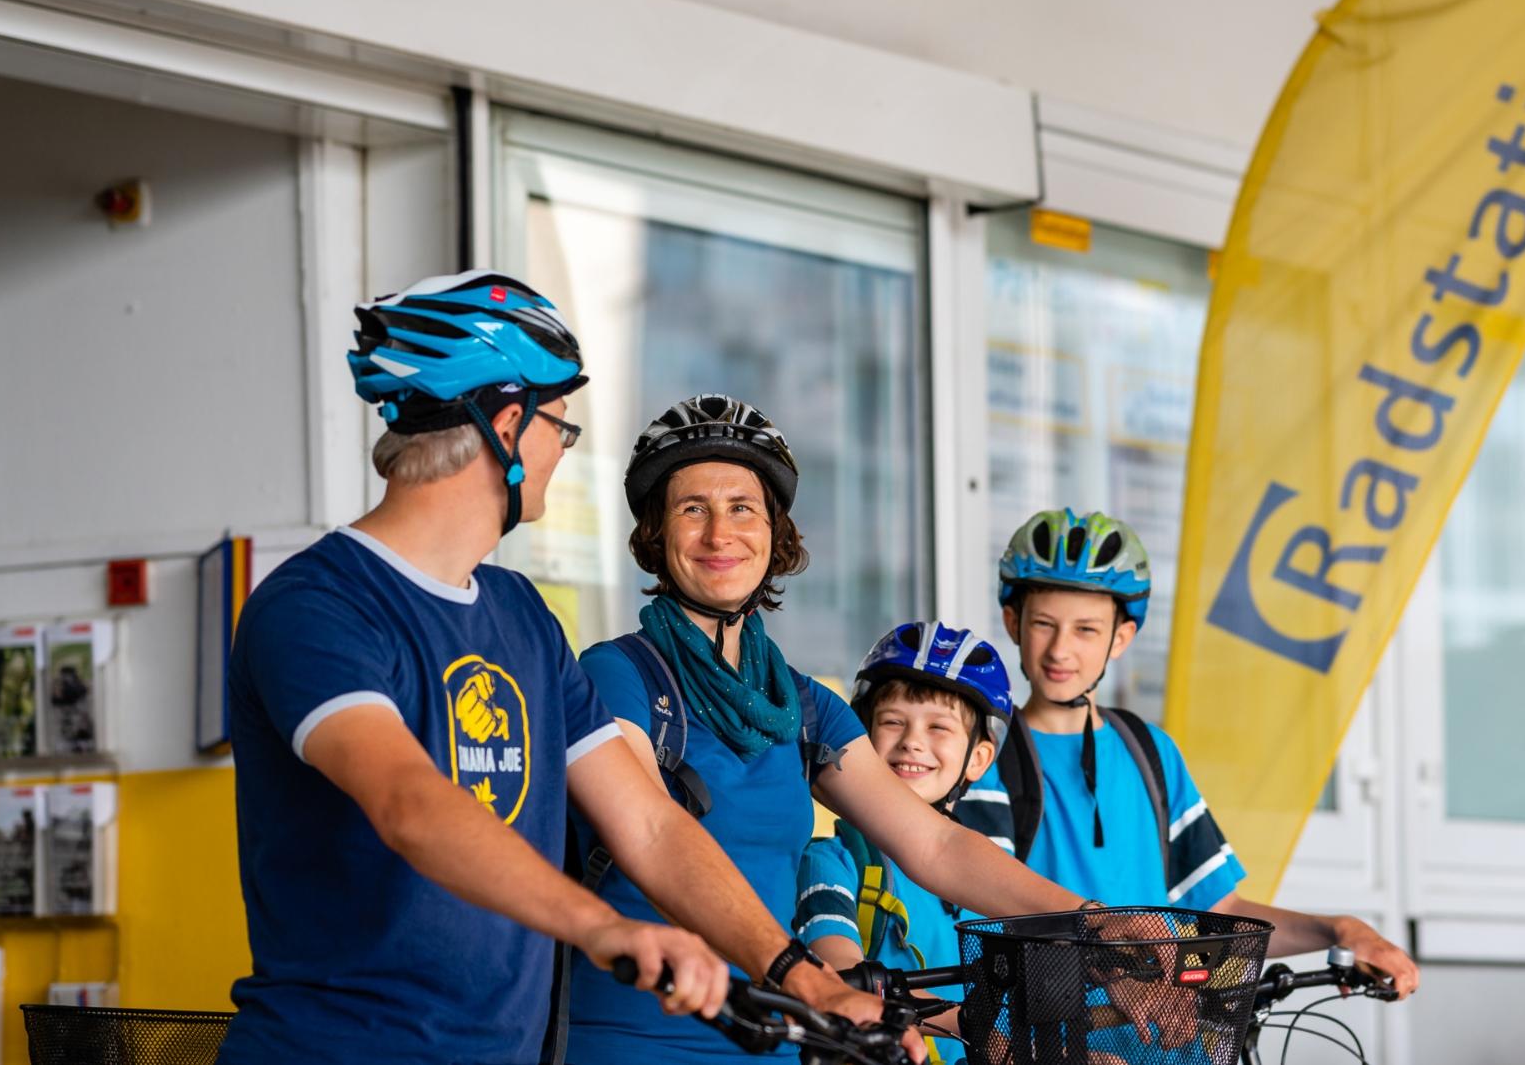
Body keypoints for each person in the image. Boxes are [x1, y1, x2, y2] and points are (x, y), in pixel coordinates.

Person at [220, 273, 891, 1065]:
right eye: (559, 428)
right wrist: (602, 925)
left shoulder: (521, 616)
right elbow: (408, 803)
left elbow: (648, 823)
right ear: (508, 426)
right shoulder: (318, 603)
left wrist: (805, 981)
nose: (559, 455)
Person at [564, 396, 1097, 1065]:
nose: (719, 534)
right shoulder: (619, 676)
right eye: (691, 509)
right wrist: (800, 973)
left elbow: (933, 844)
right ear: (656, 534)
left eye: (742, 509)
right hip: (634, 1041)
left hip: (780, 1041)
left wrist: (1092, 921)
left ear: (774, 531)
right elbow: (651, 834)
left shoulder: (803, 704)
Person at [958, 509, 1423, 999]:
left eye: (1086, 630)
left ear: (1121, 638)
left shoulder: (1150, 752)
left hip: (1164, 1042)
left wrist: (1341, 930)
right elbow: (983, 919)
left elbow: (1216, 915)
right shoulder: (986, 752)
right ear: (1013, 622)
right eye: (1044, 624)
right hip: (1044, 1045)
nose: (1060, 650)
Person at [793, 622, 1011, 1061]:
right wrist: (975, 1026)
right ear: (859, 737)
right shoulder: (834, 860)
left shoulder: (988, 881)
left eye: (938, 728)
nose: (912, 742)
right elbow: (842, 974)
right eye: (893, 721)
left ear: (979, 759)